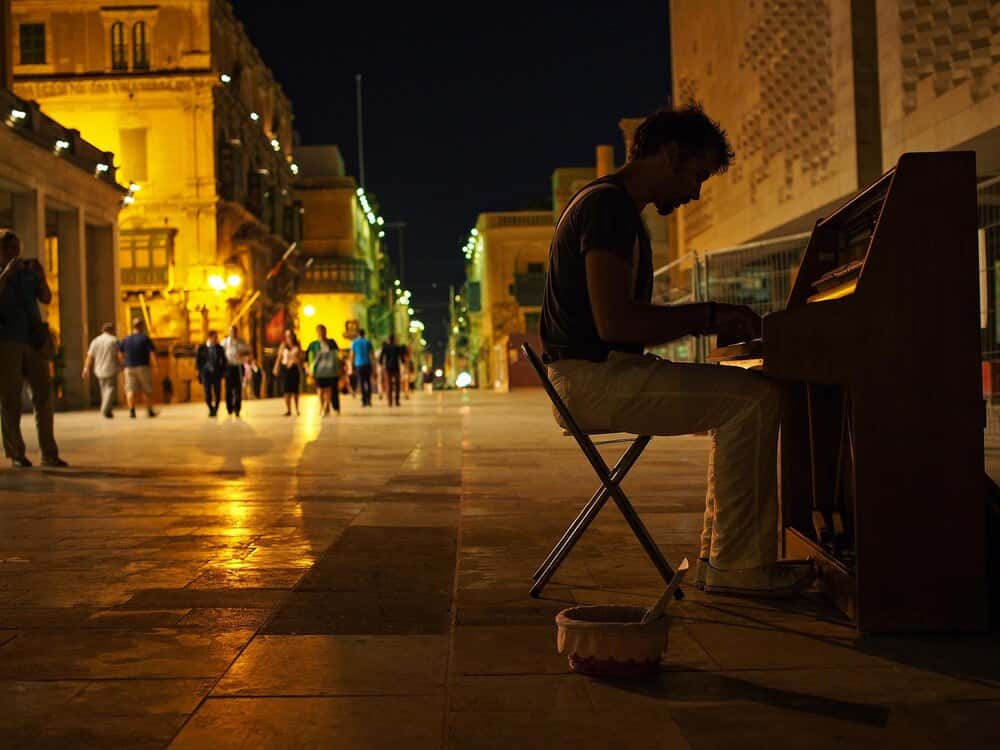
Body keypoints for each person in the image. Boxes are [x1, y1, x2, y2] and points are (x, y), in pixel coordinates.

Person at [540, 104, 814, 598]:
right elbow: (616, 322)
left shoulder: (608, 207)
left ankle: (724, 559)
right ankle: (739, 567)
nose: (695, 192)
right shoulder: (608, 209)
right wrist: (707, 315)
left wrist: (704, 318)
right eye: (696, 175)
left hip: (592, 376)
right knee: (755, 400)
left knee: (742, 399)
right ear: (670, 155)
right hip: (594, 381)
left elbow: (619, 322)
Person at [0, 231, 66, 468]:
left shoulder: (28, 273)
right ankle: (16, 453)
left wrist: (41, 276)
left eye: (15, 248)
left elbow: (46, 298)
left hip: (33, 339)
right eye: (6, 249)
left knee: (44, 396)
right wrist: (6, 274)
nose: (12, 253)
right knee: (10, 399)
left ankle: (49, 452)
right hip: (7, 340)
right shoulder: (4, 274)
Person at [118, 318, 158, 418]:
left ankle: (132, 412)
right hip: (143, 367)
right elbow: (152, 353)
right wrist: (155, 365)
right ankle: (149, 411)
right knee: (146, 389)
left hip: (129, 367)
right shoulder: (145, 338)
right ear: (141, 326)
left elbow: (120, 353)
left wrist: (124, 363)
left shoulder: (126, 339)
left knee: (130, 390)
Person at [82, 322, 120, 419]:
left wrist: (86, 368)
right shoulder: (114, 340)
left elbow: (90, 356)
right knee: (110, 389)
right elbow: (119, 355)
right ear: (111, 330)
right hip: (110, 368)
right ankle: (105, 409)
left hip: (98, 369)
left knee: (104, 390)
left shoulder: (95, 341)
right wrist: (123, 364)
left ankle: (108, 411)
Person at [306, 324, 341, 416]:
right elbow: (308, 358)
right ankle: (322, 406)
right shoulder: (313, 345)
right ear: (316, 332)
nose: (321, 333)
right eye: (319, 331)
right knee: (320, 390)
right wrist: (309, 369)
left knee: (329, 389)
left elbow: (336, 355)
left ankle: (327, 407)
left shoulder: (331, 342)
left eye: (323, 331)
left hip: (330, 371)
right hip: (318, 371)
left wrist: (339, 368)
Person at [195, 330, 226, 417]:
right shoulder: (201, 348)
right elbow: (198, 362)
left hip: (216, 374)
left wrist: (223, 372)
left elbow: (223, 361)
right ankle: (210, 408)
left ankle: (215, 409)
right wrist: (199, 372)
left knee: (217, 393)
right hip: (206, 374)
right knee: (207, 393)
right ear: (210, 337)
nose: (216, 339)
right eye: (215, 337)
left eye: (216, 337)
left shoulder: (219, 348)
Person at [220, 324, 249, 417]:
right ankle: (229, 408)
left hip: (238, 367)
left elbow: (248, 350)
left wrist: (243, 353)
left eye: (235, 331)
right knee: (228, 389)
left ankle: (237, 409)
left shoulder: (241, 341)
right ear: (229, 332)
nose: (233, 333)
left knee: (238, 389)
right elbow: (220, 353)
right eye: (231, 331)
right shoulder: (224, 342)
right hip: (228, 368)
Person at [273, 329, 303, 416]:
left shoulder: (297, 345)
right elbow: (279, 357)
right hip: (285, 369)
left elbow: (300, 357)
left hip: (294, 368)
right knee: (286, 390)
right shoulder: (283, 345)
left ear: (293, 336)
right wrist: (276, 367)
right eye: (287, 335)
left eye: (290, 335)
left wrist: (298, 362)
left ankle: (297, 409)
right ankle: (288, 409)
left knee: (295, 390)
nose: (289, 337)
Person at [350, 328, 375, 407]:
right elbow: (372, 354)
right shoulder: (368, 342)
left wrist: (351, 365)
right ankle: (369, 400)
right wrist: (374, 365)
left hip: (358, 364)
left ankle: (364, 401)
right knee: (368, 382)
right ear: (364, 334)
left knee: (361, 382)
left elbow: (352, 355)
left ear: (358, 334)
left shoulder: (354, 342)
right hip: (367, 364)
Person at [378, 334, 402, 407]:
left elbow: (381, 358)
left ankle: (390, 402)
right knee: (397, 384)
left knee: (389, 385)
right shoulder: (397, 347)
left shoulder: (385, 347)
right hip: (396, 367)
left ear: (389, 340)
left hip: (388, 368)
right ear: (394, 340)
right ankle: (397, 401)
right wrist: (403, 363)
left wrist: (381, 364)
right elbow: (401, 357)